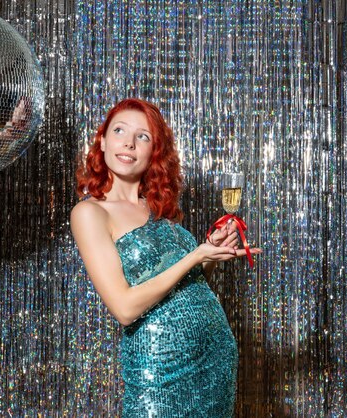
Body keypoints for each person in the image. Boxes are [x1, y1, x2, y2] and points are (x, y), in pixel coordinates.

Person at [71, 98, 261, 417]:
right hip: (159, 368)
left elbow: (185, 286)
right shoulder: (90, 212)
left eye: (143, 136)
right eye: (119, 131)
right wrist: (194, 256)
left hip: (214, 360)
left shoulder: (155, 208)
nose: (129, 142)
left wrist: (210, 254)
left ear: (153, 151)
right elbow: (125, 308)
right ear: (102, 141)